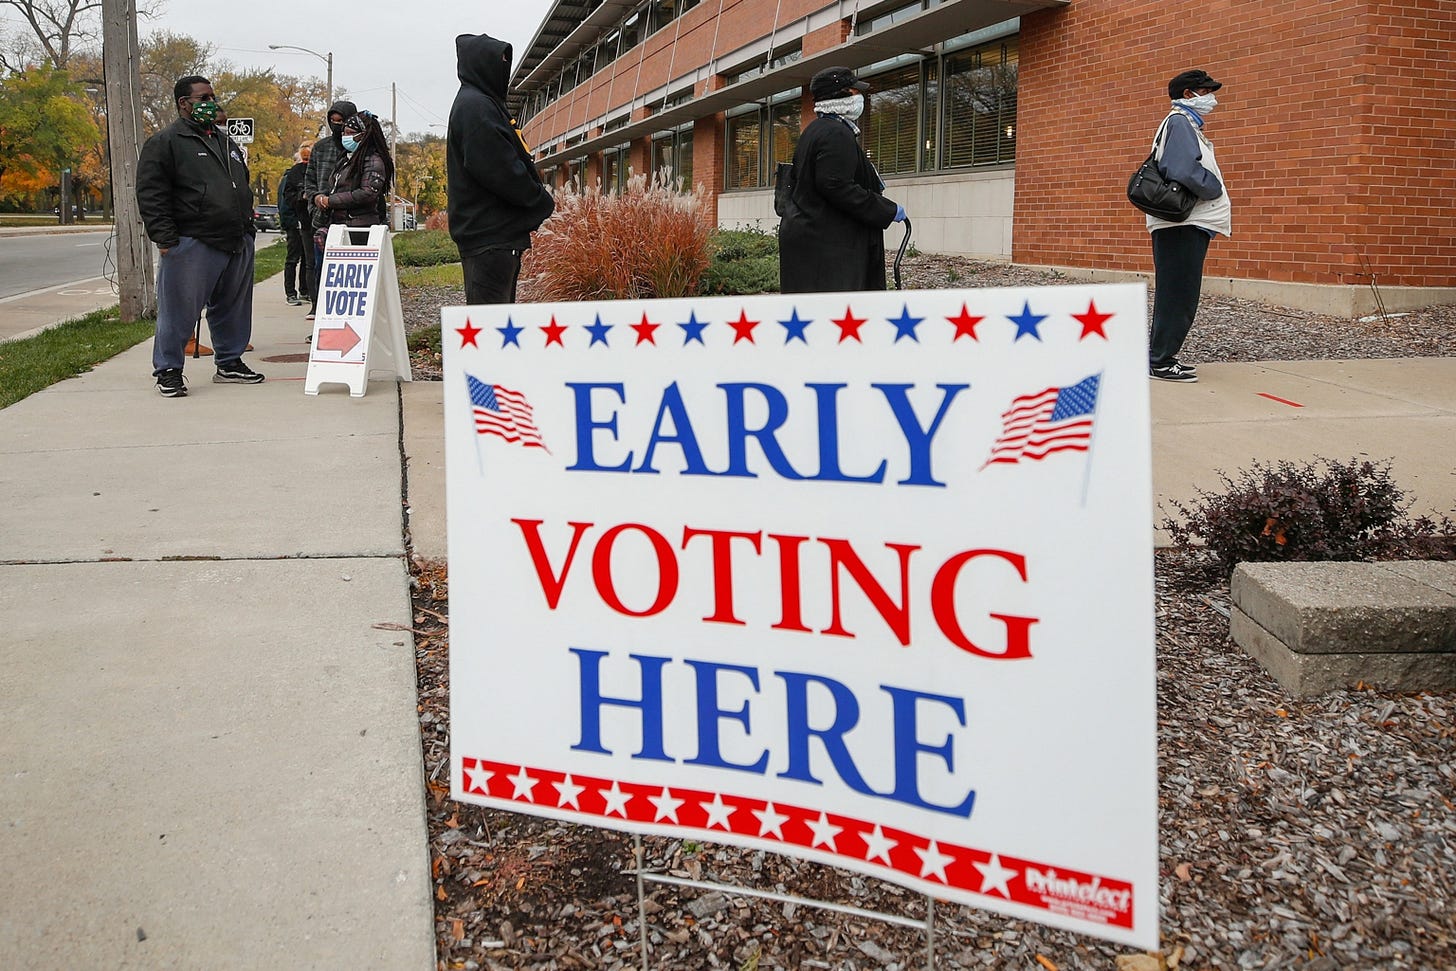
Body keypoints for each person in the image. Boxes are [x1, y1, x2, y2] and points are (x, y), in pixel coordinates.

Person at [136, 75, 264, 397]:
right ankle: (168, 370)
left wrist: (247, 228)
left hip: (236, 239)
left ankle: (230, 362)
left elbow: (240, 183)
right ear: (184, 104)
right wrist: (165, 240)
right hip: (192, 241)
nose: (211, 103)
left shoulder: (225, 142)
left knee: (233, 306)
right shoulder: (166, 142)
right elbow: (151, 194)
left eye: (212, 97)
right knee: (178, 311)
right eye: (203, 98)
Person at [447, 32, 555, 304]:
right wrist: (539, 200)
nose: (504, 68)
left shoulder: (481, 104)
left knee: (494, 325)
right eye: (499, 61)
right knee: (489, 331)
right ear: (480, 64)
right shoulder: (476, 107)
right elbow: (499, 169)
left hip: (492, 236)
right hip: (489, 237)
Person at [779, 66, 905, 294]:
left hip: (815, 238)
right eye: (856, 92)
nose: (860, 98)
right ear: (842, 95)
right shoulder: (835, 133)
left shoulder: (815, 130)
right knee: (836, 315)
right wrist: (887, 210)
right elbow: (835, 185)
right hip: (829, 245)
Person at [1146, 69, 1231, 384]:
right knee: (1178, 294)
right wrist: (1214, 188)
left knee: (1177, 292)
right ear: (1188, 95)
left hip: (1184, 226)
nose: (1211, 97)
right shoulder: (1180, 123)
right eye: (1205, 90)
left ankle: (1160, 358)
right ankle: (1161, 361)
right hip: (1182, 226)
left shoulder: (1185, 125)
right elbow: (1182, 168)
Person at [303, 99, 357, 320]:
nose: (337, 126)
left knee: (348, 275)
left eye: (341, 121)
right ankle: (320, 314)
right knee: (321, 269)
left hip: (352, 220)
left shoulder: (359, 147)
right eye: (333, 121)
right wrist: (316, 200)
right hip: (323, 220)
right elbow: (309, 180)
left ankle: (348, 320)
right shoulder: (321, 147)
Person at [312, 111, 394, 232]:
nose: (345, 136)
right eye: (344, 133)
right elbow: (334, 187)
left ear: (364, 135)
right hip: (339, 226)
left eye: (350, 133)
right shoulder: (345, 159)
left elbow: (367, 193)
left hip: (360, 228)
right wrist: (319, 197)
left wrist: (330, 201)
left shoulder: (373, 161)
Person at [278, 146, 311, 306]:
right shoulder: (292, 175)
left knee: (307, 258)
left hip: (306, 222)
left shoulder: (311, 173)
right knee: (293, 258)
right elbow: (285, 202)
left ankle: (305, 290)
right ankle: (291, 292)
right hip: (295, 222)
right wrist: (291, 222)